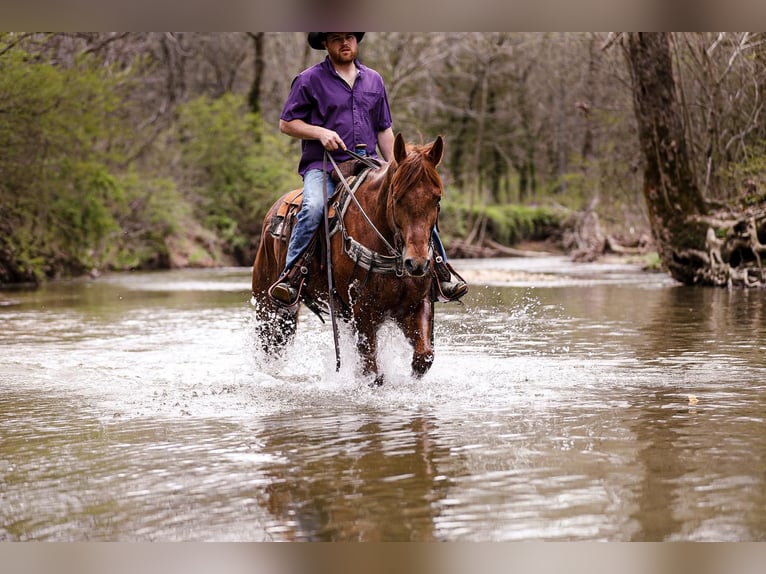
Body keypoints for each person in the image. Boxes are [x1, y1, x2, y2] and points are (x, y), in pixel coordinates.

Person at [271, 32, 467, 305]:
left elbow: (384, 129)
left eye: (350, 36)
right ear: (325, 43)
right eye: (337, 38)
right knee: (314, 207)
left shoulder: (374, 79)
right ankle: (291, 275)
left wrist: (396, 167)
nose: (345, 43)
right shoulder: (308, 80)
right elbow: (287, 123)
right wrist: (319, 133)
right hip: (324, 165)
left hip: (369, 164)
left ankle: (441, 271)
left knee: (416, 201)